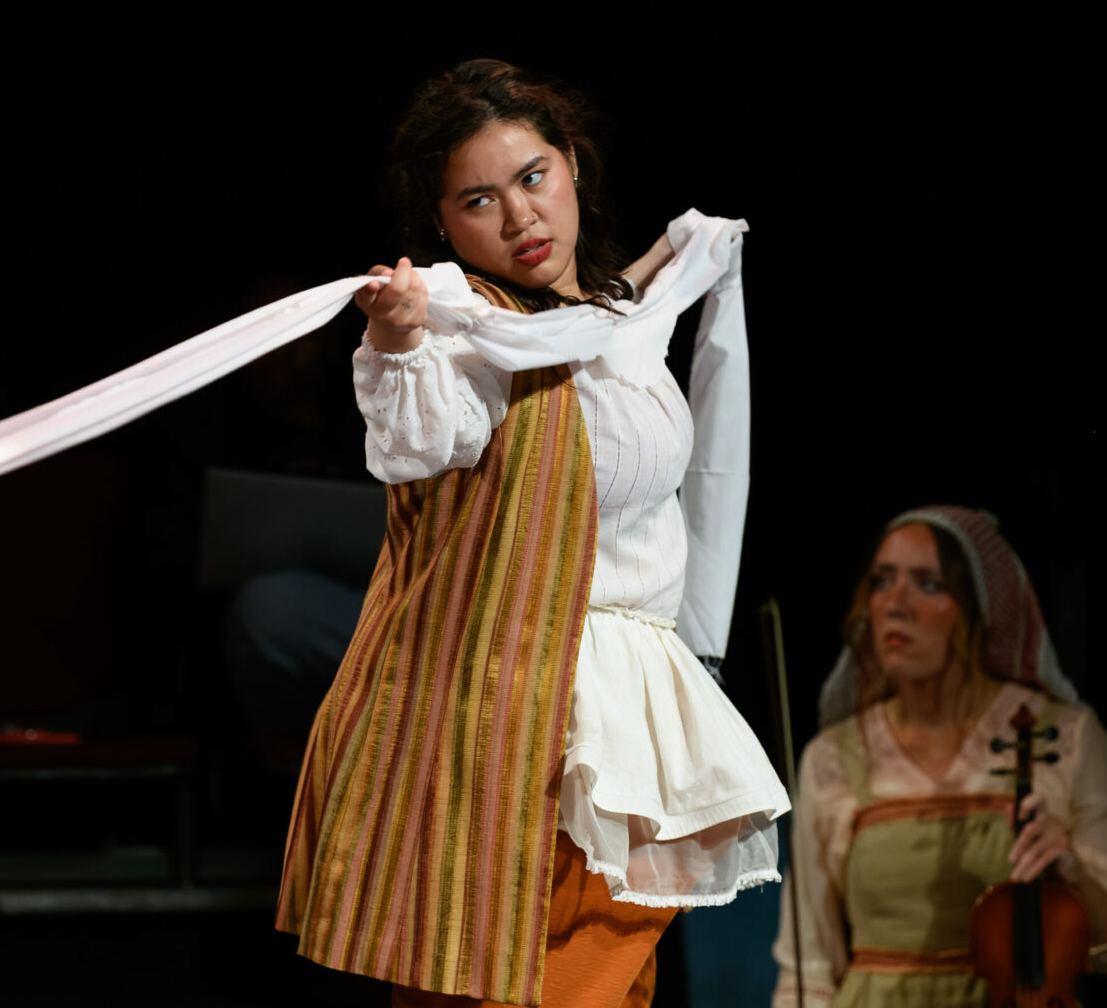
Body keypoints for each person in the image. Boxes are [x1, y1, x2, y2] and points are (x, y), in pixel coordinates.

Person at [274, 59, 790, 1008]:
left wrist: (677, 262)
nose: (519, 219)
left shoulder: (604, 327)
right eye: (479, 199)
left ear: (574, 167)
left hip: (639, 704)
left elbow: (606, 320)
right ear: (442, 223)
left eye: (533, 177)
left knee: (602, 977)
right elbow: (418, 441)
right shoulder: (470, 335)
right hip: (524, 705)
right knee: (504, 982)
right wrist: (396, 339)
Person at [772, 506, 1107, 1007]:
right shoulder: (833, 756)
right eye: (883, 582)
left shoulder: (1064, 737)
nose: (894, 604)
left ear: (978, 609)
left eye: (928, 584)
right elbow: (809, 967)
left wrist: (1074, 873)